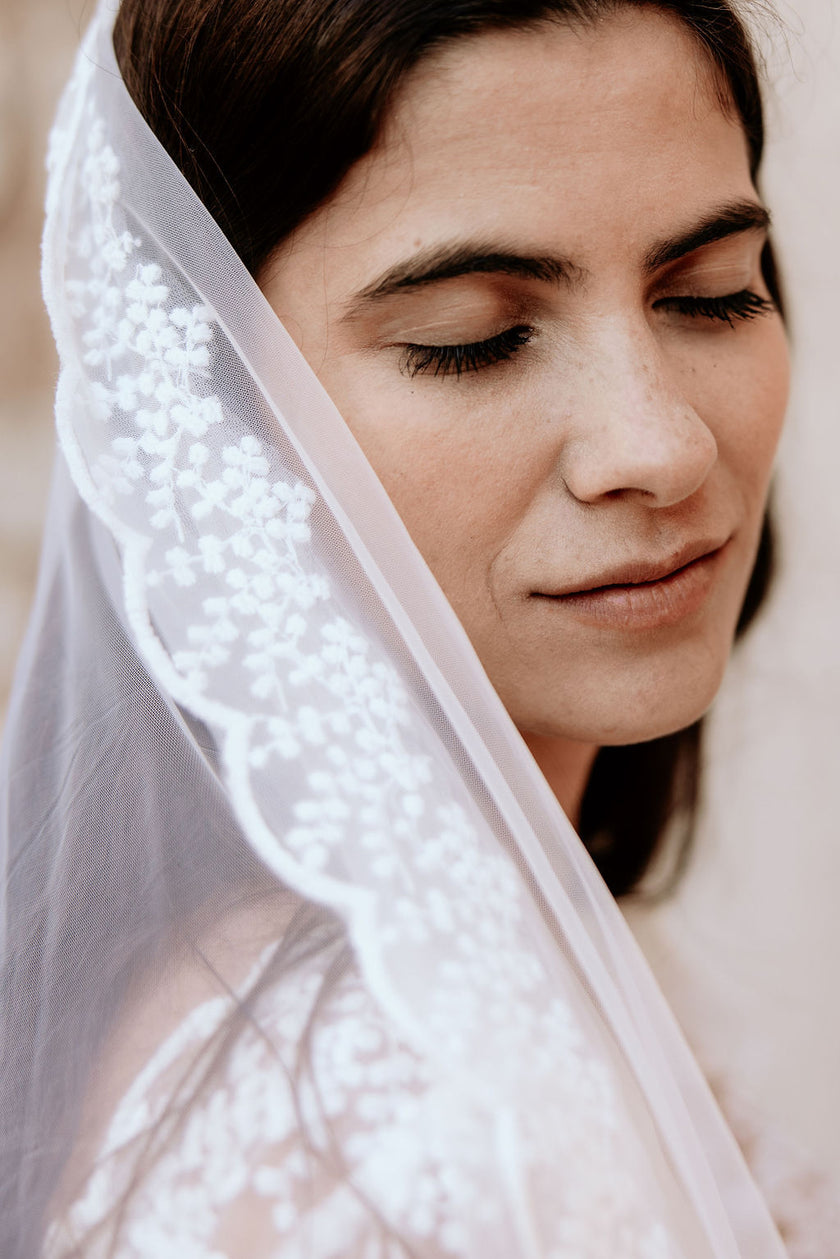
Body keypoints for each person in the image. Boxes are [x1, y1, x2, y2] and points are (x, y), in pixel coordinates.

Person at [0, 0, 836, 1255]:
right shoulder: (398, 1135)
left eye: (711, 294)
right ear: (210, 420)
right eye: (474, 341)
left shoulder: (504, 952)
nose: (661, 444)